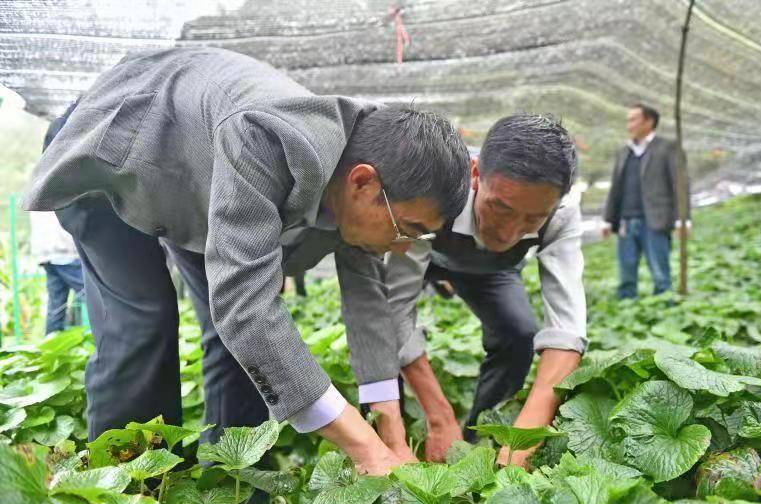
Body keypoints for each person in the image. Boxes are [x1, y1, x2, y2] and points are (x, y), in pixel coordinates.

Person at [24, 47, 470, 476]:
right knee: (144, 325)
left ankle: (231, 488)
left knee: (238, 344)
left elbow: (368, 305)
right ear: (363, 184)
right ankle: (135, 494)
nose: (402, 247)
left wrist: (390, 431)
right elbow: (246, 307)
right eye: (407, 229)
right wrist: (364, 447)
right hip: (117, 146)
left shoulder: (378, 165)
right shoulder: (269, 138)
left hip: (195, 174)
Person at [350, 114, 587, 468]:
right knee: (382, 348)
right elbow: (394, 311)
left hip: (491, 269)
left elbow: (568, 331)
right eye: (500, 208)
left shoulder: (561, 213)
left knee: (517, 333)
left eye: (532, 219)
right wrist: (439, 415)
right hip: (421, 247)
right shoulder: (437, 187)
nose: (509, 232)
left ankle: (481, 438)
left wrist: (523, 437)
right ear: (475, 174)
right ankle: (387, 450)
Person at [602, 103, 690, 299]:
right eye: (628, 120)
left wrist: (683, 219)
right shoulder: (624, 151)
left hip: (655, 221)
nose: (629, 124)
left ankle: (664, 305)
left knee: (660, 273)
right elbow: (615, 188)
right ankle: (626, 307)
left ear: (649, 122)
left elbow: (680, 185)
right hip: (626, 221)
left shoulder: (667, 148)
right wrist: (608, 219)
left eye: (633, 119)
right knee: (626, 272)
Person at [29, 210, 84, 334]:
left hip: (47, 255)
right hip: (65, 251)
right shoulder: (56, 192)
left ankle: (51, 346)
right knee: (96, 295)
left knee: (56, 307)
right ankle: (108, 340)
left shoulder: (37, 195)